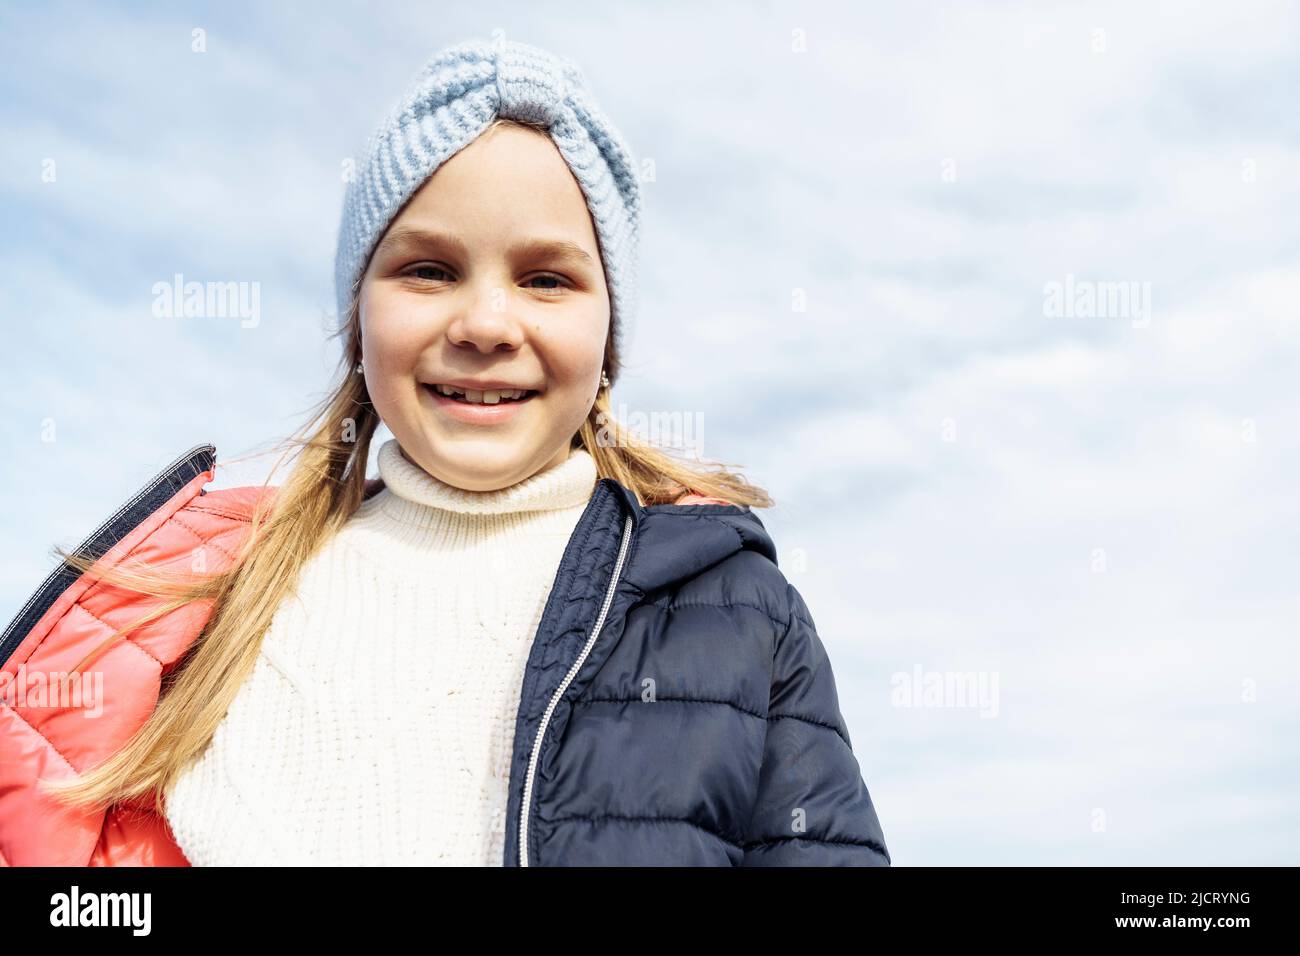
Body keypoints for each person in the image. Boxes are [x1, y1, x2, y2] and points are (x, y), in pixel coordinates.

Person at [0, 37, 890, 867]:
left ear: (607, 336)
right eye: (428, 270)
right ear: (358, 320)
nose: (485, 324)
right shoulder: (194, 603)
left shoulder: (734, 611)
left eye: (546, 279)